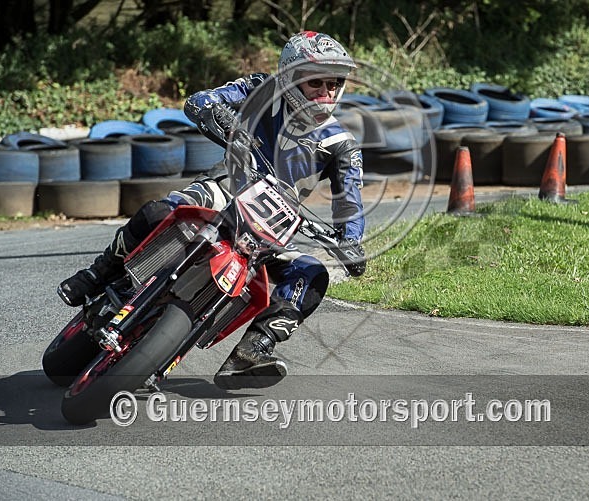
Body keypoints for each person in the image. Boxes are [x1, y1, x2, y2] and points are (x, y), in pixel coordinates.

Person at [57, 31, 366, 390]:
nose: (326, 92)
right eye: (316, 82)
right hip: (223, 189)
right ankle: (98, 273)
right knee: (162, 210)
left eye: (334, 83)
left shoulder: (342, 144)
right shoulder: (259, 90)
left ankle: (252, 352)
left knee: (311, 272)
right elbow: (202, 101)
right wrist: (216, 115)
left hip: (272, 224)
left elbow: (351, 199)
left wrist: (351, 241)